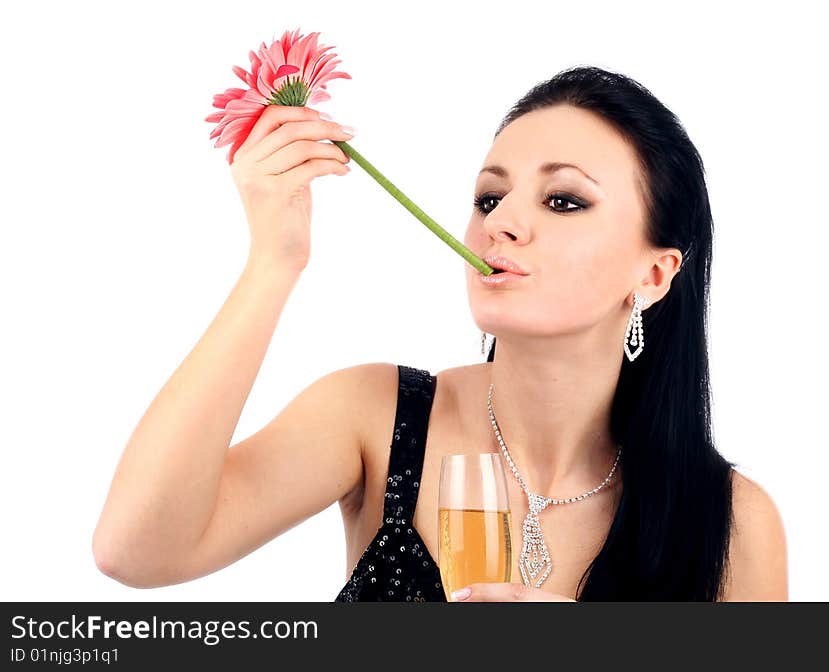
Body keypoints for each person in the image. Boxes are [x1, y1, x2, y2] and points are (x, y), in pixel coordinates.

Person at [92, 65, 788, 602]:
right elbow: (136, 549)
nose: (501, 222)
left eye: (564, 200)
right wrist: (275, 261)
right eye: (490, 197)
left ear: (657, 273)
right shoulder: (374, 416)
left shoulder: (735, 521)